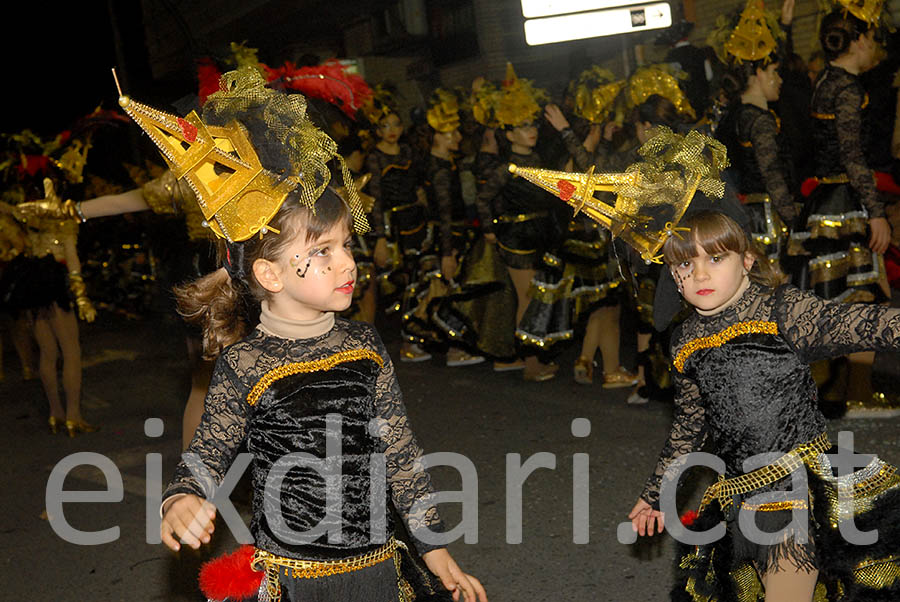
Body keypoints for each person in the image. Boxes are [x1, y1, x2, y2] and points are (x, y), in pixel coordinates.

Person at [130, 68, 486, 602]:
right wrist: (181, 497)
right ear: (269, 274)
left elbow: (403, 457)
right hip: (298, 583)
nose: (347, 263)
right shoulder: (245, 363)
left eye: (346, 245)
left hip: (380, 571)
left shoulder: (365, 346)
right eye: (323, 251)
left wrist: (437, 552)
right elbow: (206, 452)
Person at [628, 210, 900, 601]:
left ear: (748, 261)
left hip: (797, 491)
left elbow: (867, 322)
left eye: (716, 258)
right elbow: (689, 425)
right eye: (686, 262)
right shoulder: (684, 340)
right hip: (738, 498)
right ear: (672, 272)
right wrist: (655, 494)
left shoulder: (782, 312)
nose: (700, 274)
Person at [789, 6, 892, 411]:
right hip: (846, 203)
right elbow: (853, 155)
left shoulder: (825, 82)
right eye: (873, 40)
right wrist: (876, 210)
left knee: (838, 300)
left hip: (824, 201)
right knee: (864, 295)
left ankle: (837, 390)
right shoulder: (848, 87)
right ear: (860, 40)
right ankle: (858, 393)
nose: (876, 49)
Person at [718, 0, 797, 264]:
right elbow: (772, 174)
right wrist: (795, 220)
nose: (780, 78)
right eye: (774, 72)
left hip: (749, 216)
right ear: (759, 73)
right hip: (769, 218)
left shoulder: (737, 115)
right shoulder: (759, 120)